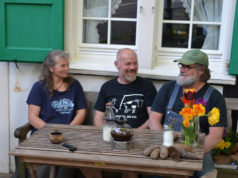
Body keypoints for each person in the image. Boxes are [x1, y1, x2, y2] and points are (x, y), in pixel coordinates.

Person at [149, 49, 227, 178]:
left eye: (187, 67)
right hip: (165, 146)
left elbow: (216, 136)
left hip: (198, 151)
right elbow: (154, 119)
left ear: (201, 71)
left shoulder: (215, 97)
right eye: (181, 65)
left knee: (207, 175)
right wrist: (165, 146)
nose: (182, 70)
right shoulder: (168, 88)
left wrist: (190, 153)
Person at [94, 48, 157, 178]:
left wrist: (134, 133)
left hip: (138, 138)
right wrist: (109, 136)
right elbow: (98, 118)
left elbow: (153, 117)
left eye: (135, 63)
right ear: (117, 65)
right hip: (111, 138)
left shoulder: (147, 85)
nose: (132, 67)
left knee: (130, 166)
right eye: (128, 64)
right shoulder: (107, 87)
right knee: (86, 162)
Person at [27, 50, 87, 178]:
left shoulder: (74, 85)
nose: (68, 68)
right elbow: (32, 117)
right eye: (63, 65)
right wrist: (52, 133)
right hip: (44, 136)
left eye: (67, 65)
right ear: (51, 68)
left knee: (67, 169)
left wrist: (68, 130)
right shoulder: (39, 87)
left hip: (69, 137)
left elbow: (81, 111)